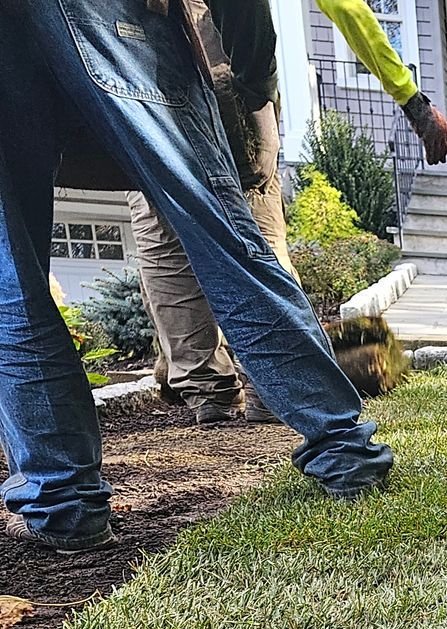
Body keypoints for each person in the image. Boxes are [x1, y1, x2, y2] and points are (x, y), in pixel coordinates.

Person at [1, 0, 396, 554]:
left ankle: (64, 503)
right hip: (114, 20)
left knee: (12, 285)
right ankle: (344, 450)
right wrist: (252, 83)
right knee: (224, 237)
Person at [132, 0, 447, 425]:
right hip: (224, 77)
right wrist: (413, 102)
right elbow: (344, 7)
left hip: (134, 82)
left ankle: (207, 391)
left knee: (164, 236)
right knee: (257, 232)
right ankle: (278, 384)